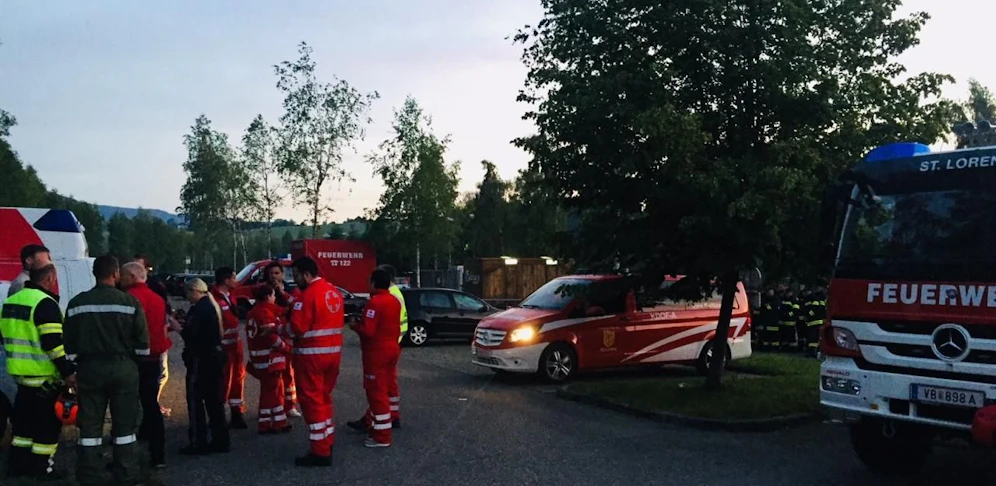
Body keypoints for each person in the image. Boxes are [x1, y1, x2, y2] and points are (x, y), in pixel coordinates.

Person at [64, 255, 149, 485]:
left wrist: (71, 370)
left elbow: (69, 345)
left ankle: (89, 473)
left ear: (95, 273)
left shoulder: (77, 304)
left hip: (89, 370)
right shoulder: (130, 303)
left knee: (90, 425)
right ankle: (126, 472)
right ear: (115, 274)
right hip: (123, 369)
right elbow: (143, 346)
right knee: (125, 426)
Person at [1, 264, 76, 480]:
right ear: (51, 277)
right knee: (46, 429)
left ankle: (17, 467)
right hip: (44, 378)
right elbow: (53, 345)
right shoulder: (45, 304)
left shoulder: (11, 302)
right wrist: (68, 372)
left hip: (20, 378)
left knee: (22, 429)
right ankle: (42, 469)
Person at [286, 256, 344, 467]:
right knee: (323, 398)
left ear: (306, 274)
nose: (295, 280)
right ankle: (327, 440)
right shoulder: (334, 292)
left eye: (296, 276)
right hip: (332, 355)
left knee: (312, 402)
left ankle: (320, 451)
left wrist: (281, 330)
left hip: (311, 357)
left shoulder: (307, 296)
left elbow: (297, 328)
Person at [120, 262, 170, 468]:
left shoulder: (129, 299)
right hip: (154, 358)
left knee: (127, 407)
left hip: (133, 359)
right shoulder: (157, 298)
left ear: (132, 276)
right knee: (151, 406)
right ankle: (158, 454)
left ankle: (126, 456)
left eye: (122, 276)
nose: (119, 280)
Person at [348, 264, 406, 432]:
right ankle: (392, 417)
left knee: (376, 391)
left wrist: (355, 326)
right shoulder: (395, 300)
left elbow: (368, 331)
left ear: (374, 283)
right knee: (390, 385)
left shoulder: (374, 303)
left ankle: (381, 432)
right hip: (393, 347)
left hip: (377, 352)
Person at [179, 278, 230, 455]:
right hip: (215, 358)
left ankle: (197, 441)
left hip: (201, 359)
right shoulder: (211, 306)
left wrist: (178, 327)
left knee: (195, 400)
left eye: (187, 293)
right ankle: (221, 440)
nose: (187, 297)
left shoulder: (199, 309)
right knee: (214, 401)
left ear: (194, 291)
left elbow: (191, 334)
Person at [246, 284, 294, 435]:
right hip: (269, 359)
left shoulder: (254, 312)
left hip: (259, 358)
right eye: (273, 295)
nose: (275, 298)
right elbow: (271, 337)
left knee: (273, 390)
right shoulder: (265, 313)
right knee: (270, 392)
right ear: (268, 296)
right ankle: (267, 424)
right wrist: (287, 348)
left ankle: (278, 421)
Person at [133, 254, 176, 416]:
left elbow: (166, 310)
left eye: (139, 266)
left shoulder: (156, 287)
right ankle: (147, 408)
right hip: (142, 344)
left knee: (161, 375)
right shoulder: (126, 289)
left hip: (155, 340)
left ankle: (151, 404)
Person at [264, 261, 302, 418]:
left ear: (282, 274)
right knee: (273, 376)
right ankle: (275, 406)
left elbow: (296, 308)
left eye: (277, 273)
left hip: (287, 335)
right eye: (271, 273)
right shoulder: (263, 290)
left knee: (289, 374)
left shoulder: (291, 290)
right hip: (270, 336)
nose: (274, 276)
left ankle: (290, 405)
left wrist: (283, 293)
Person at [211, 266, 248, 429]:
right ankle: (218, 416)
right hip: (223, 348)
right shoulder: (214, 299)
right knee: (222, 382)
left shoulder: (229, 296)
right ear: (226, 280)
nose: (236, 281)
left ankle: (236, 412)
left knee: (238, 380)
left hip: (235, 346)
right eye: (234, 277)